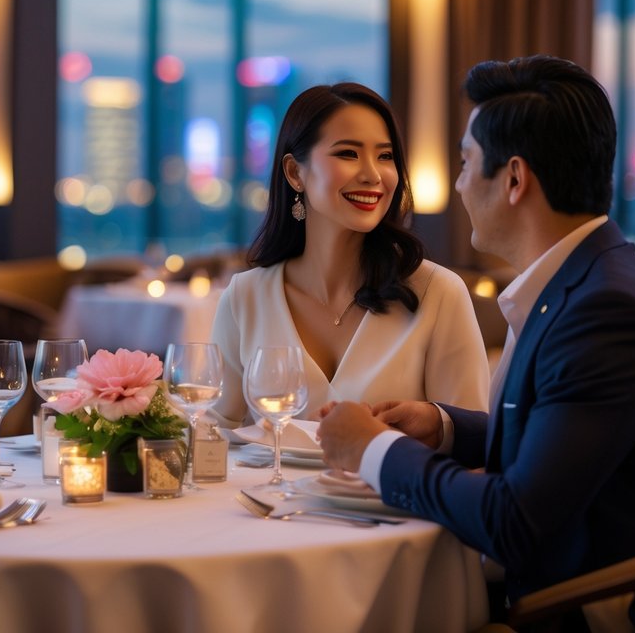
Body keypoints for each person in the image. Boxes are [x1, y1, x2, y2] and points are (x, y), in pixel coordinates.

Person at [318, 56, 635, 631]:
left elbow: (515, 523)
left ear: (514, 179)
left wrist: (372, 451)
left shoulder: (607, 312)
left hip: (598, 613)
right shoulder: (590, 280)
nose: (459, 184)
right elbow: (565, 438)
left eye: (466, 163)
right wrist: (443, 427)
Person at [210, 82, 490, 428]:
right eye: (348, 153)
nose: (373, 175)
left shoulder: (439, 293)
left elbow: (471, 441)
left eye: (385, 156)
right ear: (295, 172)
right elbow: (214, 437)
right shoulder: (245, 297)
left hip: (393, 485)